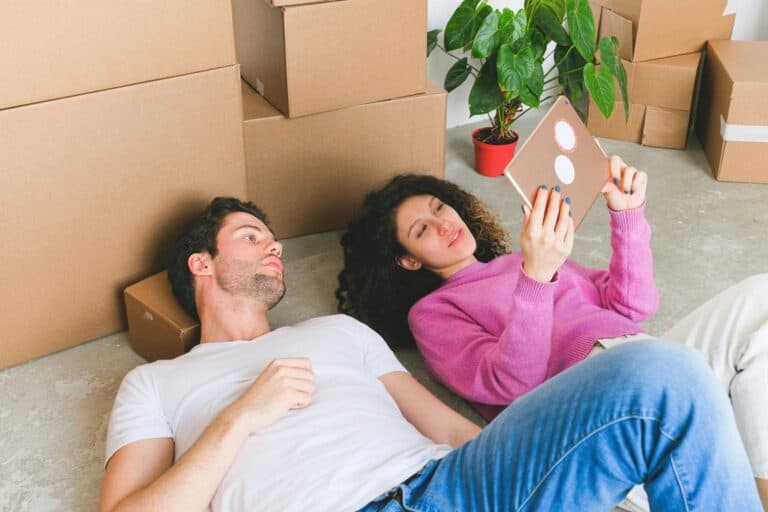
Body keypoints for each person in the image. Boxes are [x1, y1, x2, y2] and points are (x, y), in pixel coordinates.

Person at [99, 196, 762, 512]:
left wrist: (556, 471)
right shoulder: (155, 383)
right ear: (201, 263)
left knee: (666, 373)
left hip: (459, 483)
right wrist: (242, 416)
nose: (274, 247)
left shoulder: (339, 333)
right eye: (251, 238)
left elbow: (445, 425)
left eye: (274, 238)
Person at [336, 158, 768, 510]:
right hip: (592, 404)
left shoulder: (519, 259)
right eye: (421, 230)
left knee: (761, 296)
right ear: (409, 261)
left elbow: (633, 308)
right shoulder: (433, 313)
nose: (443, 223)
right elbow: (510, 383)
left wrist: (627, 215)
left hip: (648, 357)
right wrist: (537, 277)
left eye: (438, 208)